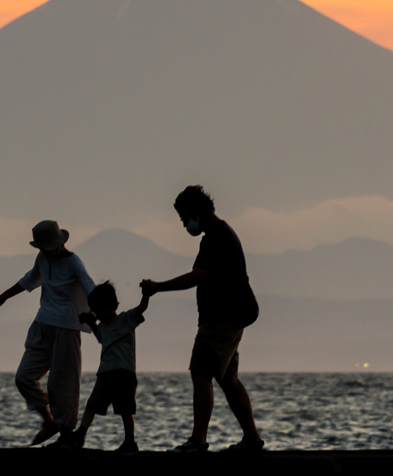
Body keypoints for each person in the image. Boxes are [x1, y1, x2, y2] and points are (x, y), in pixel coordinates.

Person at [140, 185, 264, 452]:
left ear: (196, 212)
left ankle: (198, 440)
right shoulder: (225, 233)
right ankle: (252, 439)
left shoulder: (214, 238)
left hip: (219, 319)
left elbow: (199, 275)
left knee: (201, 372)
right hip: (233, 317)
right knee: (227, 377)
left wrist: (158, 286)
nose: (185, 224)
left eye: (184, 218)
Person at [0, 220, 96, 445]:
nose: (44, 252)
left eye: (47, 248)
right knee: (24, 377)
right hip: (42, 325)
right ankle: (49, 421)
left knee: (62, 384)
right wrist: (3, 296)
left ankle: (66, 435)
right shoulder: (42, 258)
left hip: (66, 329)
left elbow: (89, 287)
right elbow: (29, 279)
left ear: (58, 244)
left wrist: (96, 313)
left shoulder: (74, 263)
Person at [70, 281, 150, 455]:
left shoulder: (125, 319)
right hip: (105, 372)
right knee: (92, 403)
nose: (97, 315)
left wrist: (147, 293)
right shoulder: (103, 327)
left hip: (123, 372)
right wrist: (91, 323)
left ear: (109, 306)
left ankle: (130, 441)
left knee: (125, 409)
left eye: (98, 310)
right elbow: (101, 338)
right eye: (95, 311)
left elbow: (142, 308)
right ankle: (80, 435)